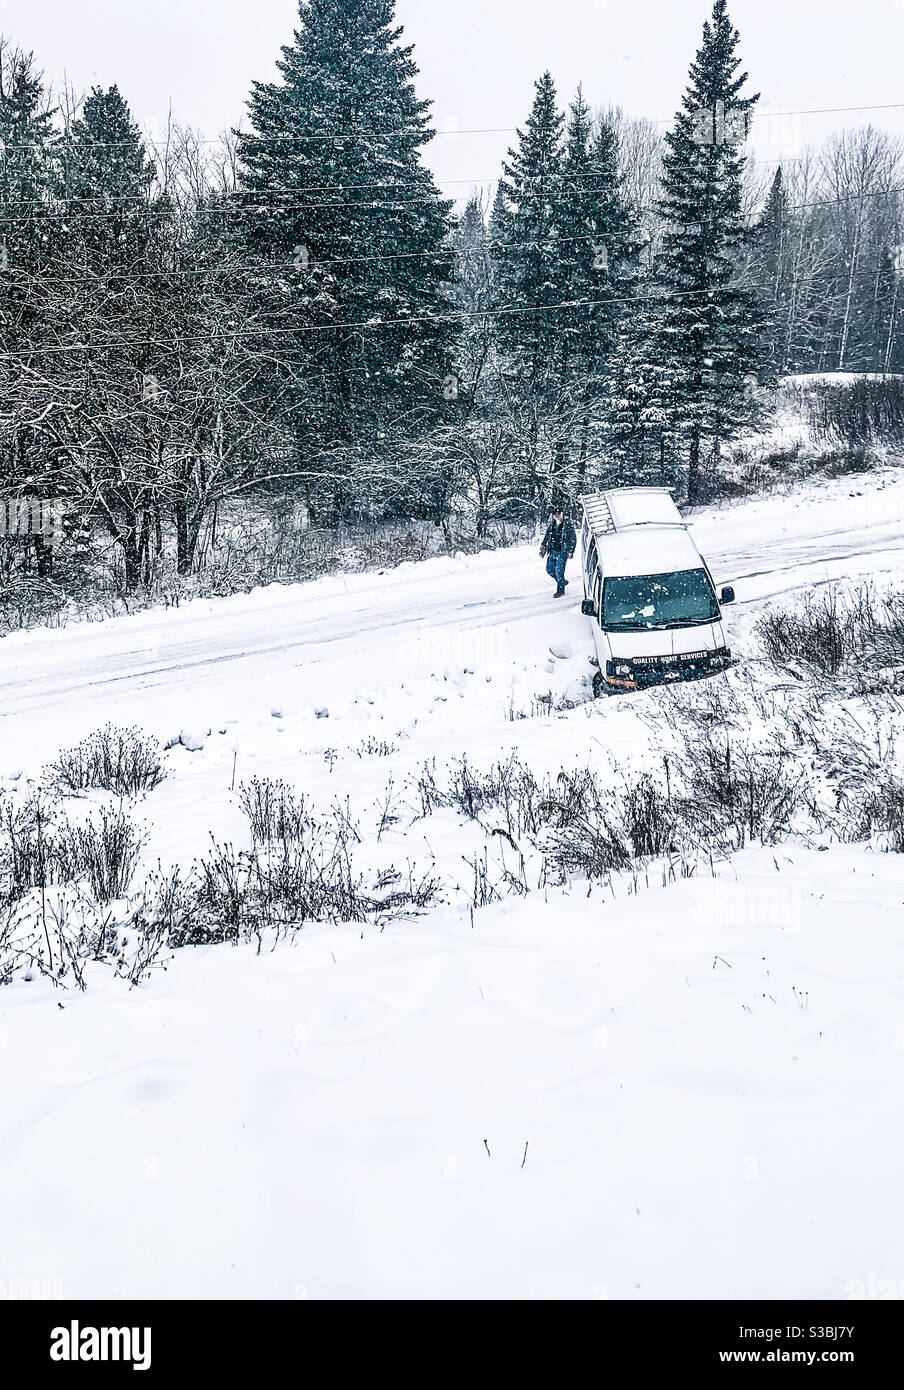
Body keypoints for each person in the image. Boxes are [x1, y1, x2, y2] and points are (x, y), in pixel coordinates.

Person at [539, 508, 577, 598]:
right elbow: (547, 535)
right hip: (552, 550)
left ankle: (560, 590)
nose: (557, 516)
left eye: (558, 514)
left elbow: (573, 538)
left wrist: (571, 551)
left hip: (562, 552)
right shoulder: (552, 524)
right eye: (555, 515)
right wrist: (543, 546)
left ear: (562, 514)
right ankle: (562, 582)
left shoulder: (567, 524)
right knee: (549, 569)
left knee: (559, 571)